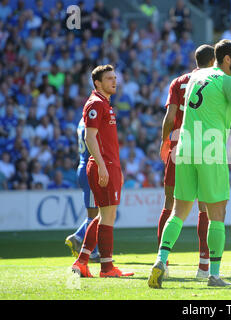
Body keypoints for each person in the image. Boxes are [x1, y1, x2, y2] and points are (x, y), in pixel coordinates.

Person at [148, 39, 231, 288]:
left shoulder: (195, 79)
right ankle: (214, 274)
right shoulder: (226, 81)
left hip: (185, 150)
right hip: (210, 152)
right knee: (217, 214)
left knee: (178, 211)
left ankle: (160, 261)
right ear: (227, 59)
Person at [158, 45, 215, 279]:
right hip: (204, 146)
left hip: (178, 146)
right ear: (213, 60)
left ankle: (163, 261)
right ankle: (203, 267)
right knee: (205, 207)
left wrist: (164, 143)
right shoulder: (214, 81)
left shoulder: (178, 82)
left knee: (170, 205)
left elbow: (170, 118)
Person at [71, 65, 133, 278]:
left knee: (104, 214)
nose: (114, 81)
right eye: (109, 78)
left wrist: (116, 167)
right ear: (97, 82)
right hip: (102, 165)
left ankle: (82, 261)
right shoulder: (96, 104)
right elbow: (89, 137)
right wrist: (103, 166)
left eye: (115, 78)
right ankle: (106, 267)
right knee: (107, 216)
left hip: (110, 164)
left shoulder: (104, 103)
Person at [64, 117, 101, 263]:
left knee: (96, 214)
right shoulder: (92, 120)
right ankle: (92, 252)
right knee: (94, 215)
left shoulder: (81, 121)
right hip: (89, 168)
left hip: (83, 166)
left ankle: (77, 237)